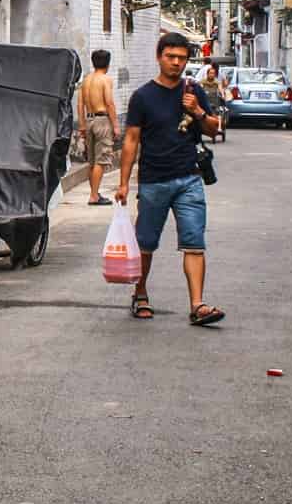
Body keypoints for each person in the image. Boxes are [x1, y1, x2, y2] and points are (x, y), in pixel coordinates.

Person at [116, 32, 225, 326]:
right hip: (153, 181)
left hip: (189, 178)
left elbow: (214, 130)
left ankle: (198, 305)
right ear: (159, 57)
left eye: (181, 58)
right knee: (146, 243)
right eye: (171, 57)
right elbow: (131, 140)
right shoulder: (142, 96)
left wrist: (197, 110)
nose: (176, 63)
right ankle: (140, 294)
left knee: (194, 242)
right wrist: (125, 183)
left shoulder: (194, 91)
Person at [78, 48, 119, 206]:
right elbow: (109, 102)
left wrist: (82, 124)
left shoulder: (87, 80)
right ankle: (94, 196)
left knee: (92, 160)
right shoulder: (105, 79)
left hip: (89, 120)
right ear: (108, 63)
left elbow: (80, 104)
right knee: (102, 160)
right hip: (102, 120)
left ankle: (95, 193)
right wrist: (115, 125)